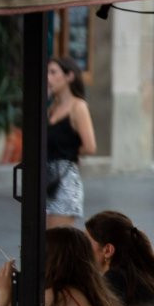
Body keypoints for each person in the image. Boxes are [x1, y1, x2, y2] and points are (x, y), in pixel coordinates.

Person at [84, 210, 154, 306]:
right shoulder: (143, 274)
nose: (81, 248)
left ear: (108, 250)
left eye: (86, 243)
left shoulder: (114, 282)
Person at [45, 57, 96, 227]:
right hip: (45, 178)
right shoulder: (50, 108)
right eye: (47, 72)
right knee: (40, 241)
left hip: (64, 179)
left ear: (69, 76)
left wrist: (70, 152)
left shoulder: (78, 107)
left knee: (55, 243)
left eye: (53, 73)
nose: (48, 77)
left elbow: (90, 146)